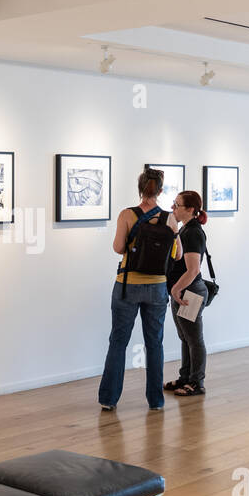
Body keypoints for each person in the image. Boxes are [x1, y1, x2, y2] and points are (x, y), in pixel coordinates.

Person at [98, 168, 180, 411]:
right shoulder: (169, 218)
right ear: (161, 190)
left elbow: (117, 247)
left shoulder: (126, 214)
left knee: (118, 341)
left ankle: (109, 399)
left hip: (128, 285)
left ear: (140, 188)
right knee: (154, 343)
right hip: (157, 287)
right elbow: (178, 254)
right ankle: (156, 401)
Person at [165, 191, 211, 396]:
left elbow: (193, 269)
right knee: (185, 337)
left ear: (190, 209)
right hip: (184, 292)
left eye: (177, 205)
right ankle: (185, 377)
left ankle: (197, 382)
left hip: (189, 292)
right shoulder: (186, 230)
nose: (173, 208)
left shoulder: (193, 233)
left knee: (193, 339)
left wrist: (176, 289)